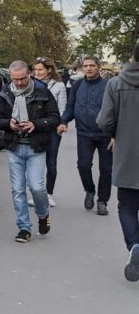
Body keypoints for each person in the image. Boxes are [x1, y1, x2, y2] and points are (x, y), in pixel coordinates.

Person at [0, 60, 61, 243]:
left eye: (23, 78)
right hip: (14, 146)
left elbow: (55, 117)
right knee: (17, 190)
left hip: (35, 146)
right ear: (10, 77)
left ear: (29, 74)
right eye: (15, 79)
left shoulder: (42, 91)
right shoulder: (6, 92)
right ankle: (24, 228)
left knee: (37, 187)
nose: (20, 83)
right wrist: (9, 124)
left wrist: (35, 124)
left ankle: (42, 214)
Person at [96, 40, 139, 281]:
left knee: (128, 206)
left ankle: (134, 245)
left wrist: (115, 134)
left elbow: (104, 121)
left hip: (128, 154)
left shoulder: (116, 83)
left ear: (133, 57)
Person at [63, 55, 112, 215]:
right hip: (84, 133)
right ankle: (89, 190)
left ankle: (102, 201)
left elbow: (116, 111)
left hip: (105, 134)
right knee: (83, 165)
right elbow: (70, 106)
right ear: (82, 68)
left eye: (92, 65)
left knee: (106, 169)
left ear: (99, 67)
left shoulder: (108, 86)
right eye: (85, 66)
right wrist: (63, 121)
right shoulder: (77, 86)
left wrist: (115, 133)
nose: (89, 68)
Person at [34, 58, 67, 207]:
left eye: (40, 69)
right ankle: (37, 193)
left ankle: (48, 194)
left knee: (51, 162)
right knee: (35, 162)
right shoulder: (31, 84)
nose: (37, 72)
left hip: (53, 129)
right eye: (35, 70)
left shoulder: (59, 85)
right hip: (35, 128)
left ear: (49, 70)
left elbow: (62, 107)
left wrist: (60, 124)